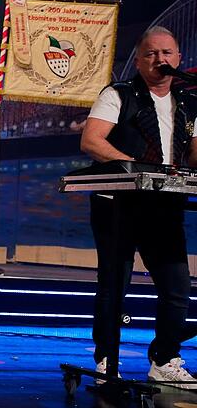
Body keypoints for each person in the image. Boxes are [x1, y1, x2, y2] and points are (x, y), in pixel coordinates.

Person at [80, 26, 197, 388]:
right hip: (118, 204)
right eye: (151, 53)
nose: (160, 59)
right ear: (139, 60)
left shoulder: (189, 103)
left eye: (167, 53)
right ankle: (106, 358)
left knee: (177, 287)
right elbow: (92, 141)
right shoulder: (118, 94)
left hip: (164, 206)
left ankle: (164, 359)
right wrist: (136, 169)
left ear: (179, 58)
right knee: (114, 283)